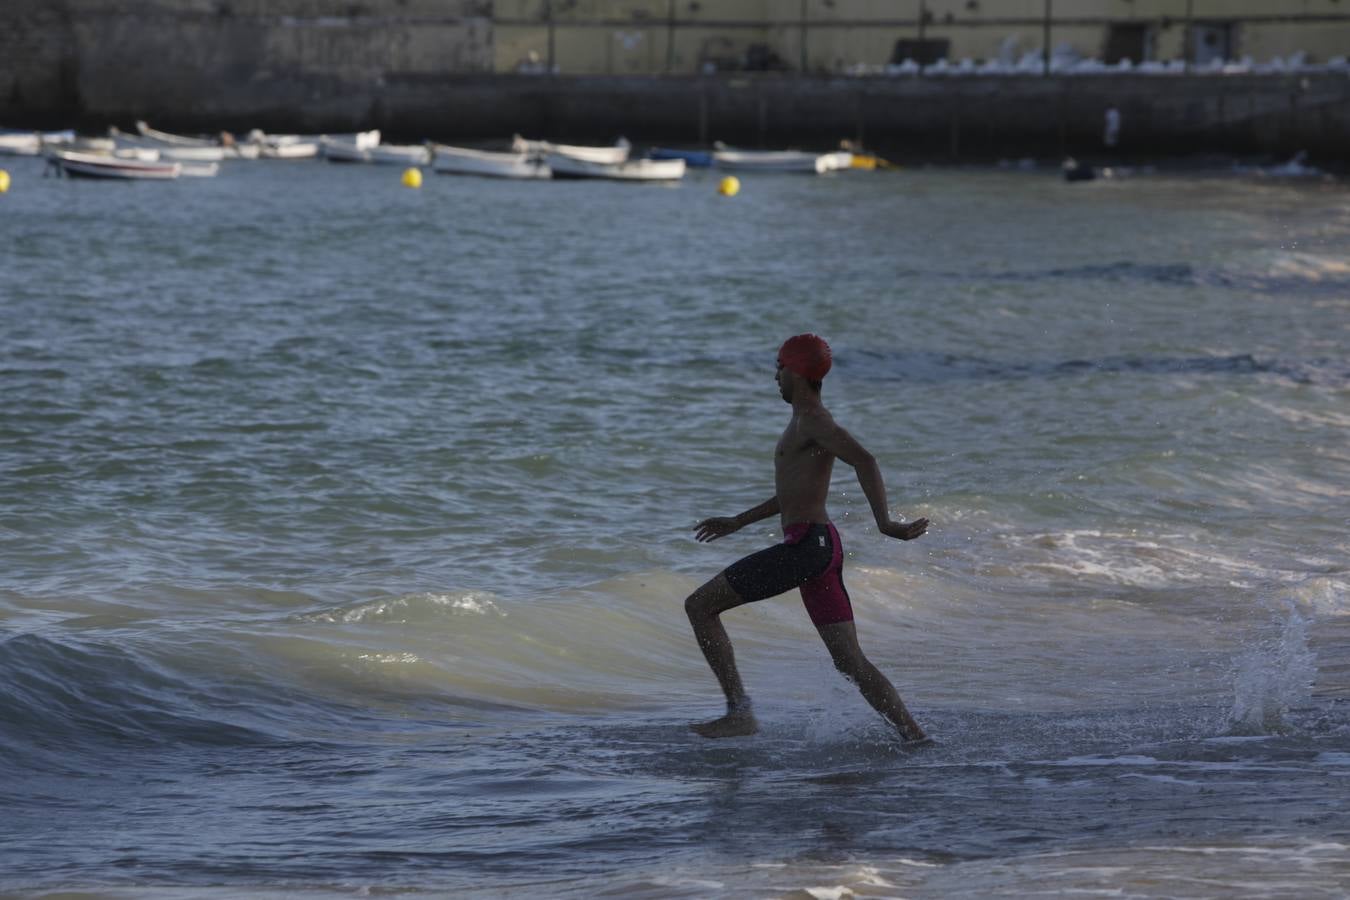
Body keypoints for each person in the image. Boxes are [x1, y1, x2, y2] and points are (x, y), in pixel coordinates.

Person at [684, 334, 931, 743]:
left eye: (778, 369)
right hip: (821, 549)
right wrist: (738, 522)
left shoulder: (813, 420)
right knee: (850, 661)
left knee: (699, 606)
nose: (775, 378)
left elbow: (864, 459)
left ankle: (739, 713)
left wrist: (885, 523)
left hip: (806, 548)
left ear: (795, 370)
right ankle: (915, 737)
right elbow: (792, 495)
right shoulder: (803, 421)